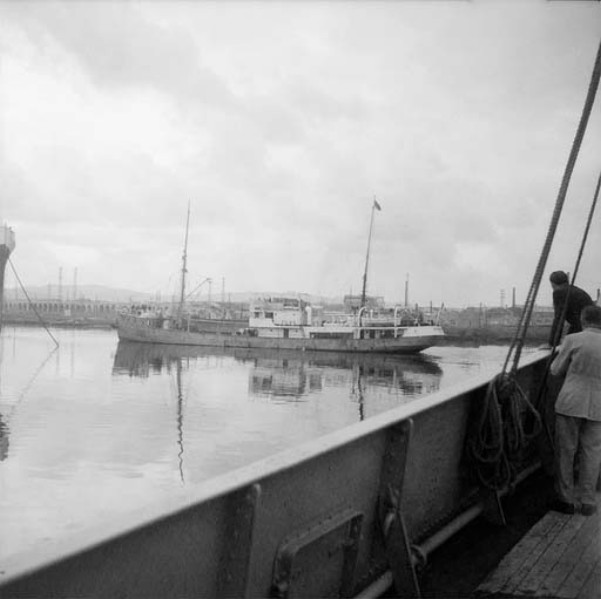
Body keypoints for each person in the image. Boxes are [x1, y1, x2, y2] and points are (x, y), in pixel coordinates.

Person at [549, 304, 601, 515]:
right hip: (598, 406)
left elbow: (555, 370)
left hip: (571, 402)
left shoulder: (573, 339)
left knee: (566, 452)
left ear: (583, 320)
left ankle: (567, 499)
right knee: (592, 453)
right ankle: (588, 501)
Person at [547, 270, 593, 347]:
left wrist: (552, 343)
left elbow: (559, 319)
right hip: (592, 327)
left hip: (584, 328)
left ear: (553, 284)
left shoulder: (559, 292)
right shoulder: (576, 290)